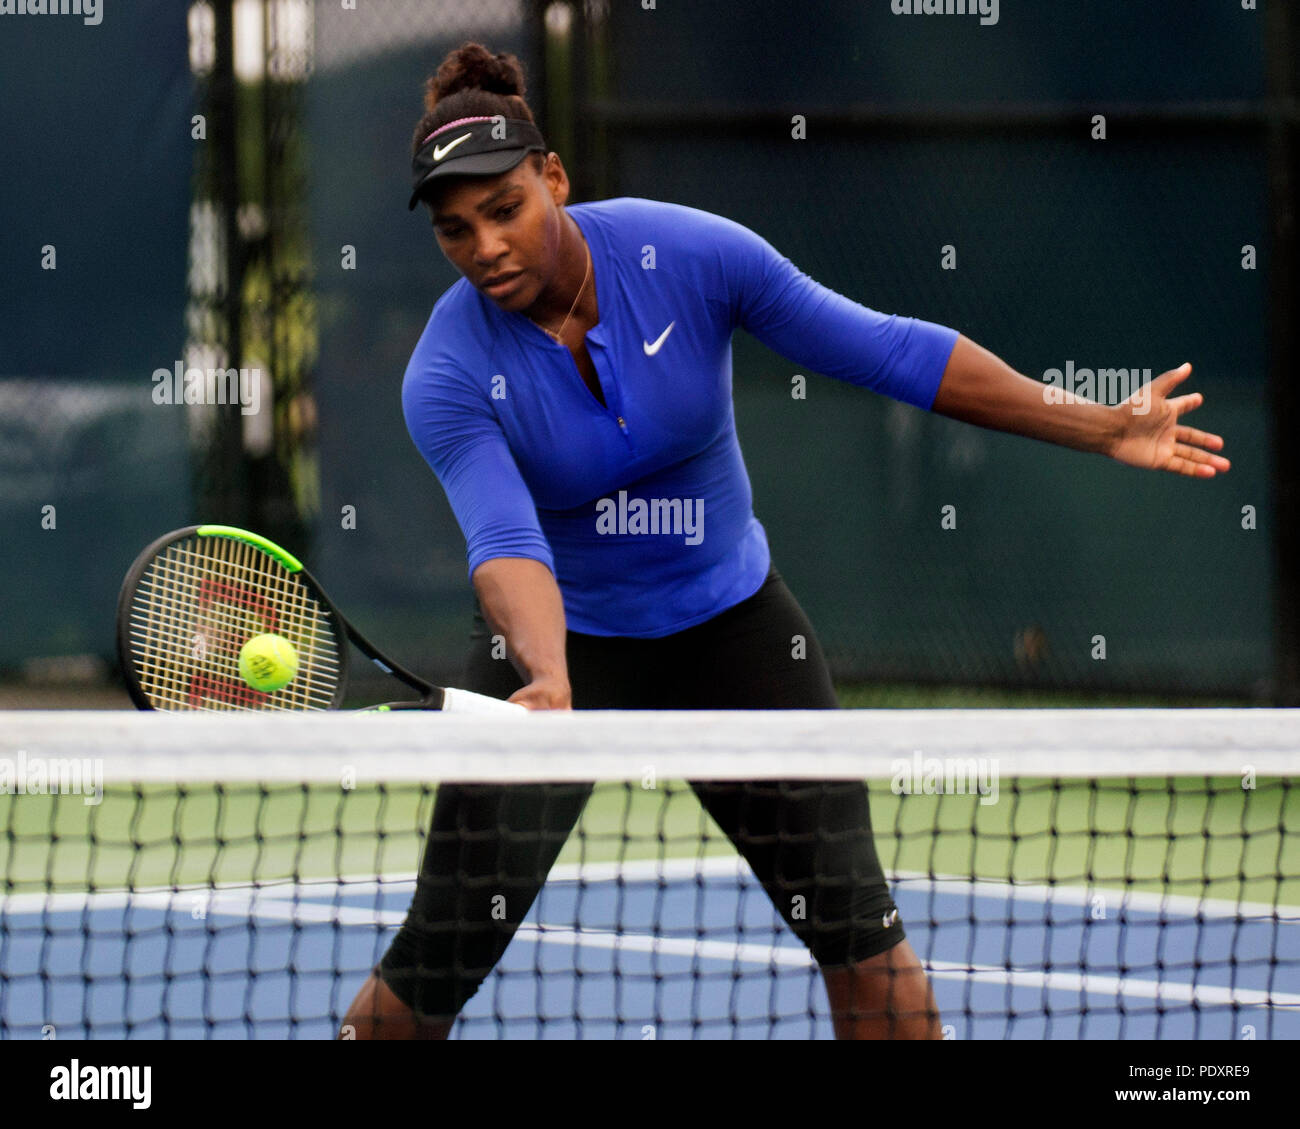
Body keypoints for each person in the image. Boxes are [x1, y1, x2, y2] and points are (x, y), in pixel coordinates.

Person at [341, 42, 1229, 1041]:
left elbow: (890, 349)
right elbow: (507, 543)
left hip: (736, 632)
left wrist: (1100, 423)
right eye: (456, 231)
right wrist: (546, 679)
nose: (486, 247)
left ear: (554, 180)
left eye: (504, 209)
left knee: (866, 950)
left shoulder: (690, 257)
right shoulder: (447, 371)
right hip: (564, 647)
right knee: (436, 960)